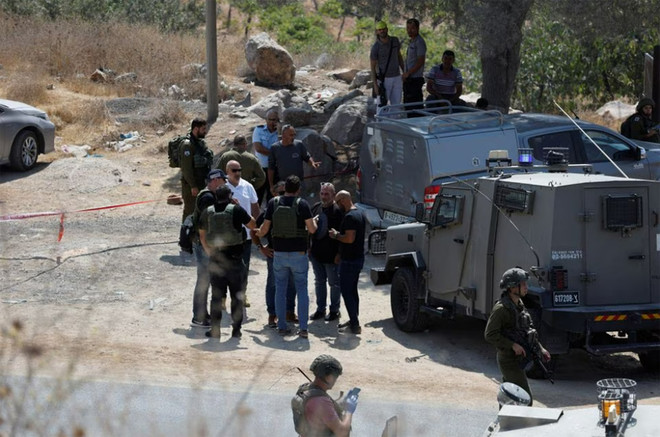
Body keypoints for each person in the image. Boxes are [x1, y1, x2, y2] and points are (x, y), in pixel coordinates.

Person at [256, 175, 317, 338]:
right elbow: (312, 229)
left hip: (279, 254)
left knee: (280, 289)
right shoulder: (302, 204)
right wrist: (315, 222)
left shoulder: (273, 203)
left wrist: (258, 237)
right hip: (299, 254)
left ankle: (281, 326)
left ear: (286, 188)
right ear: (298, 190)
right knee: (302, 290)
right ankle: (303, 328)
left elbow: (264, 229)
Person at [484, 268, 551, 406]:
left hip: (518, 358)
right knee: (524, 400)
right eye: (523, 284)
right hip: (508, 360)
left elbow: (527, 331)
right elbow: (490, 334)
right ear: (513, 287)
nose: (526, 287)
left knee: (509, 398)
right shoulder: (501, 309)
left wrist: (541, 349)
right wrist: (512, 345)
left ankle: (505, 418)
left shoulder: (519, 304)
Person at [198, 185, 256, 339]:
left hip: (216, 261)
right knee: (236, 297)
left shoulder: (208, 212)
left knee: (216, 297)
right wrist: (238, 206)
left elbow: (202, 235)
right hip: (235, 261)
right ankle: (236, 330)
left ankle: (215, 330)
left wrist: (209, 252)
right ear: (230, 196)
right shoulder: (236, 210)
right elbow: (252, 224)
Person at [251, 181, 298, 327]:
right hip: (274, 254)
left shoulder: (297, 208)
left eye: (286, 192)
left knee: (292, 283)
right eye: (281, 193)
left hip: (293, 253)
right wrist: (261, 247)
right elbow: (253, 231)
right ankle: (272, 314)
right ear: (274, 194)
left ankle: (289, 312)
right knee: (273, 284)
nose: (284, 196)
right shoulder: (268, 212)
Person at [191, 169, 228, 327]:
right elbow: (205, 227)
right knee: (204, 281)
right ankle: (199, 317)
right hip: (204, 246)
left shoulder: (210, 196)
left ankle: (201, 315)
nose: (225, 183)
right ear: (215, 180)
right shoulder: (207, 198)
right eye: (223, 180)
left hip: (205, 244)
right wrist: (208, 249)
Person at [292, 354, 357, 437]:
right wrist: (349, 411)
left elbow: (320, 410)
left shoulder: (304, 389)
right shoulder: (321, 402)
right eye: (335, 377)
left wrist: (342, 403)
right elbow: (342, 432)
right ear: (329, 377)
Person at [328, 191, 365, 335]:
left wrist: (336, 235)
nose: (338, 206)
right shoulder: (359, 213)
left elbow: (349, 238)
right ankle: (353, 319)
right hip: (356, 259)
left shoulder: (350, 217)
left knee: (347, 292)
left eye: (338, 203)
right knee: (353, 291)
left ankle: (355, 324)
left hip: (350, 261)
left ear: (343, 200)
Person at [225, 159, 261, 307]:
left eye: (239, 170)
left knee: (244, 267)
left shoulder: (247, 186)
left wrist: (256, 227)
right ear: (227, 171)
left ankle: (242, 294)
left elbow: (255, 207)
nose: (238, 173)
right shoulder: (222, 187)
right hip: (227, 236)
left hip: (245, 235)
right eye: (234, 170)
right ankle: (223, 297)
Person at [309, 182, 344, 322]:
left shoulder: (338, 211)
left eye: (327, 194)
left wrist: (339, 254)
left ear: (333, 195)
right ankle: (320, 309)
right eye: (322, 193)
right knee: (319, 282)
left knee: (334, 284)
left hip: (332, 256)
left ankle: (334, 310)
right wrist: (308, 247)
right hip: (316, 254)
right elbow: (308, 228)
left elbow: (342, 234)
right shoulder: (315, 208)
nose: (324, 196)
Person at [267, 125, 320, 194]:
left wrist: (312, 163)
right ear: (283, 135)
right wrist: (271, 186)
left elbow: (307, 157)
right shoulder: (275, 148)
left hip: (299, 184)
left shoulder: (299, 145)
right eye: (291, 135)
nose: (293, 137)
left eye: (294, 135)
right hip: (284, 185)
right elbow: (271, 168)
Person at [179, 118, 214, 222]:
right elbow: (186, 169)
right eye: (203, 129)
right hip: (190, 186)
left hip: (201, 182)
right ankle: (185, 231)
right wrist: (193, 186)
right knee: (190, 211)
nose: (205, 131)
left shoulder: (200, 143)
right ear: (195, 129)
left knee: (201, 210)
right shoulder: (187, 145)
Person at [370, 20, 404, 107]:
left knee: (396, 106)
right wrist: (375, 85)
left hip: (397, 77)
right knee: (381, 106)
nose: (382, 31)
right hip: (384, 80)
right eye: (380, 29)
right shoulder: (375, 47)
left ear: (387, 29)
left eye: (383, 29)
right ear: (377, 32)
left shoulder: (395, 40)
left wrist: (404, 71)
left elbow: (399, 56)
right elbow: (372, 67)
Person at [252, 109, 280, 205]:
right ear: (266, 120)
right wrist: (274, 154)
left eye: (275, 120)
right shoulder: (259, 130)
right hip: (261, 169)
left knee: (272, 197)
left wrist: (280, 132)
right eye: (270, 119)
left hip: (275, 169)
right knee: (257, 196)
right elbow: (259, 148)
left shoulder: (280, 133)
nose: (272, 122)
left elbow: (282, 147)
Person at [401, 18, 426, 114]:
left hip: (415, 79)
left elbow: (420, 61)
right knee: (408, 106)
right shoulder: (412, 41)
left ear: (417, 28)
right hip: (409, 79)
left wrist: (408, 73)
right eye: (408, 28)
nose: (409, 30)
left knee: (415, 107)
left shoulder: (419, 42)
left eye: (412, 28)